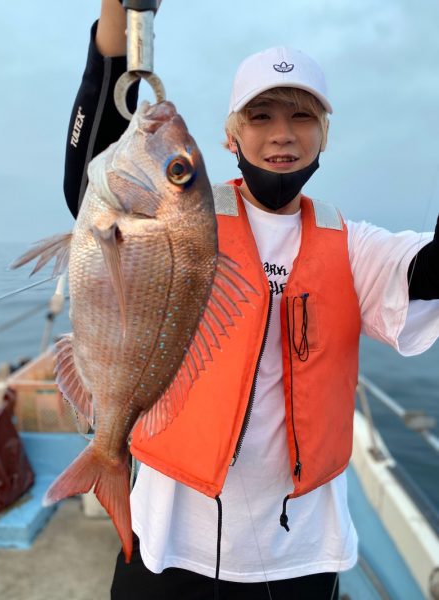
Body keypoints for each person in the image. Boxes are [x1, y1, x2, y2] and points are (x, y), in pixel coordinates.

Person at [63, 2, 439, 598]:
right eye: (260, 116)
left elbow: (425, 269)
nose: (282, 134)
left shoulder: (353, 244)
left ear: (323, 136)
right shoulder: (185, 214)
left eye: (302, 116)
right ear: (230, 135)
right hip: (166, 539)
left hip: (301, 550)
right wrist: (118, 13)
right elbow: (92, 169)